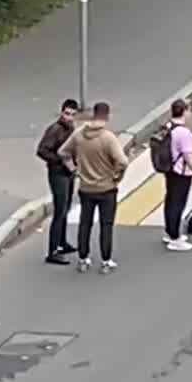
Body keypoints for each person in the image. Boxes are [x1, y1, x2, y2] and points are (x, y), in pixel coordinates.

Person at [64, 100, 127, 273]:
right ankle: (106, 261)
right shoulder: (108, 138)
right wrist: (117, 176)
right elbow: (122, 161)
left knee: (85, 224)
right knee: (106, 225)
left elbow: (63, 152)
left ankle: (83, 259)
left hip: (86, 188)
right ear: (107, 116)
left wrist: (74, 169)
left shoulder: (78, 134)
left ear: (93, 114)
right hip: (107, 188)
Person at [37, 97, 79, 264]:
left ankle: (62, 243)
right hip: (58, 174)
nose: (68, 117)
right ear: (62, 112)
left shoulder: (70, 129)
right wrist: (60, 161)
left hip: (68, 173)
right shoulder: (55, 130)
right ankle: (53, 251)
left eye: (72, 114)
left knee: (66, 207)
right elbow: (42, 151)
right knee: (60, 209)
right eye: (66, 113)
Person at [163, 97, 192, 253]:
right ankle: (175, 237)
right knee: (177, 204)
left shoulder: (168, 127)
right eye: (189, 110)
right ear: (184, 111)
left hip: (169, 169)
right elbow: (188, 155)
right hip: (181, 172)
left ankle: (169, 231)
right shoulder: (183, 133)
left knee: (170, 200)